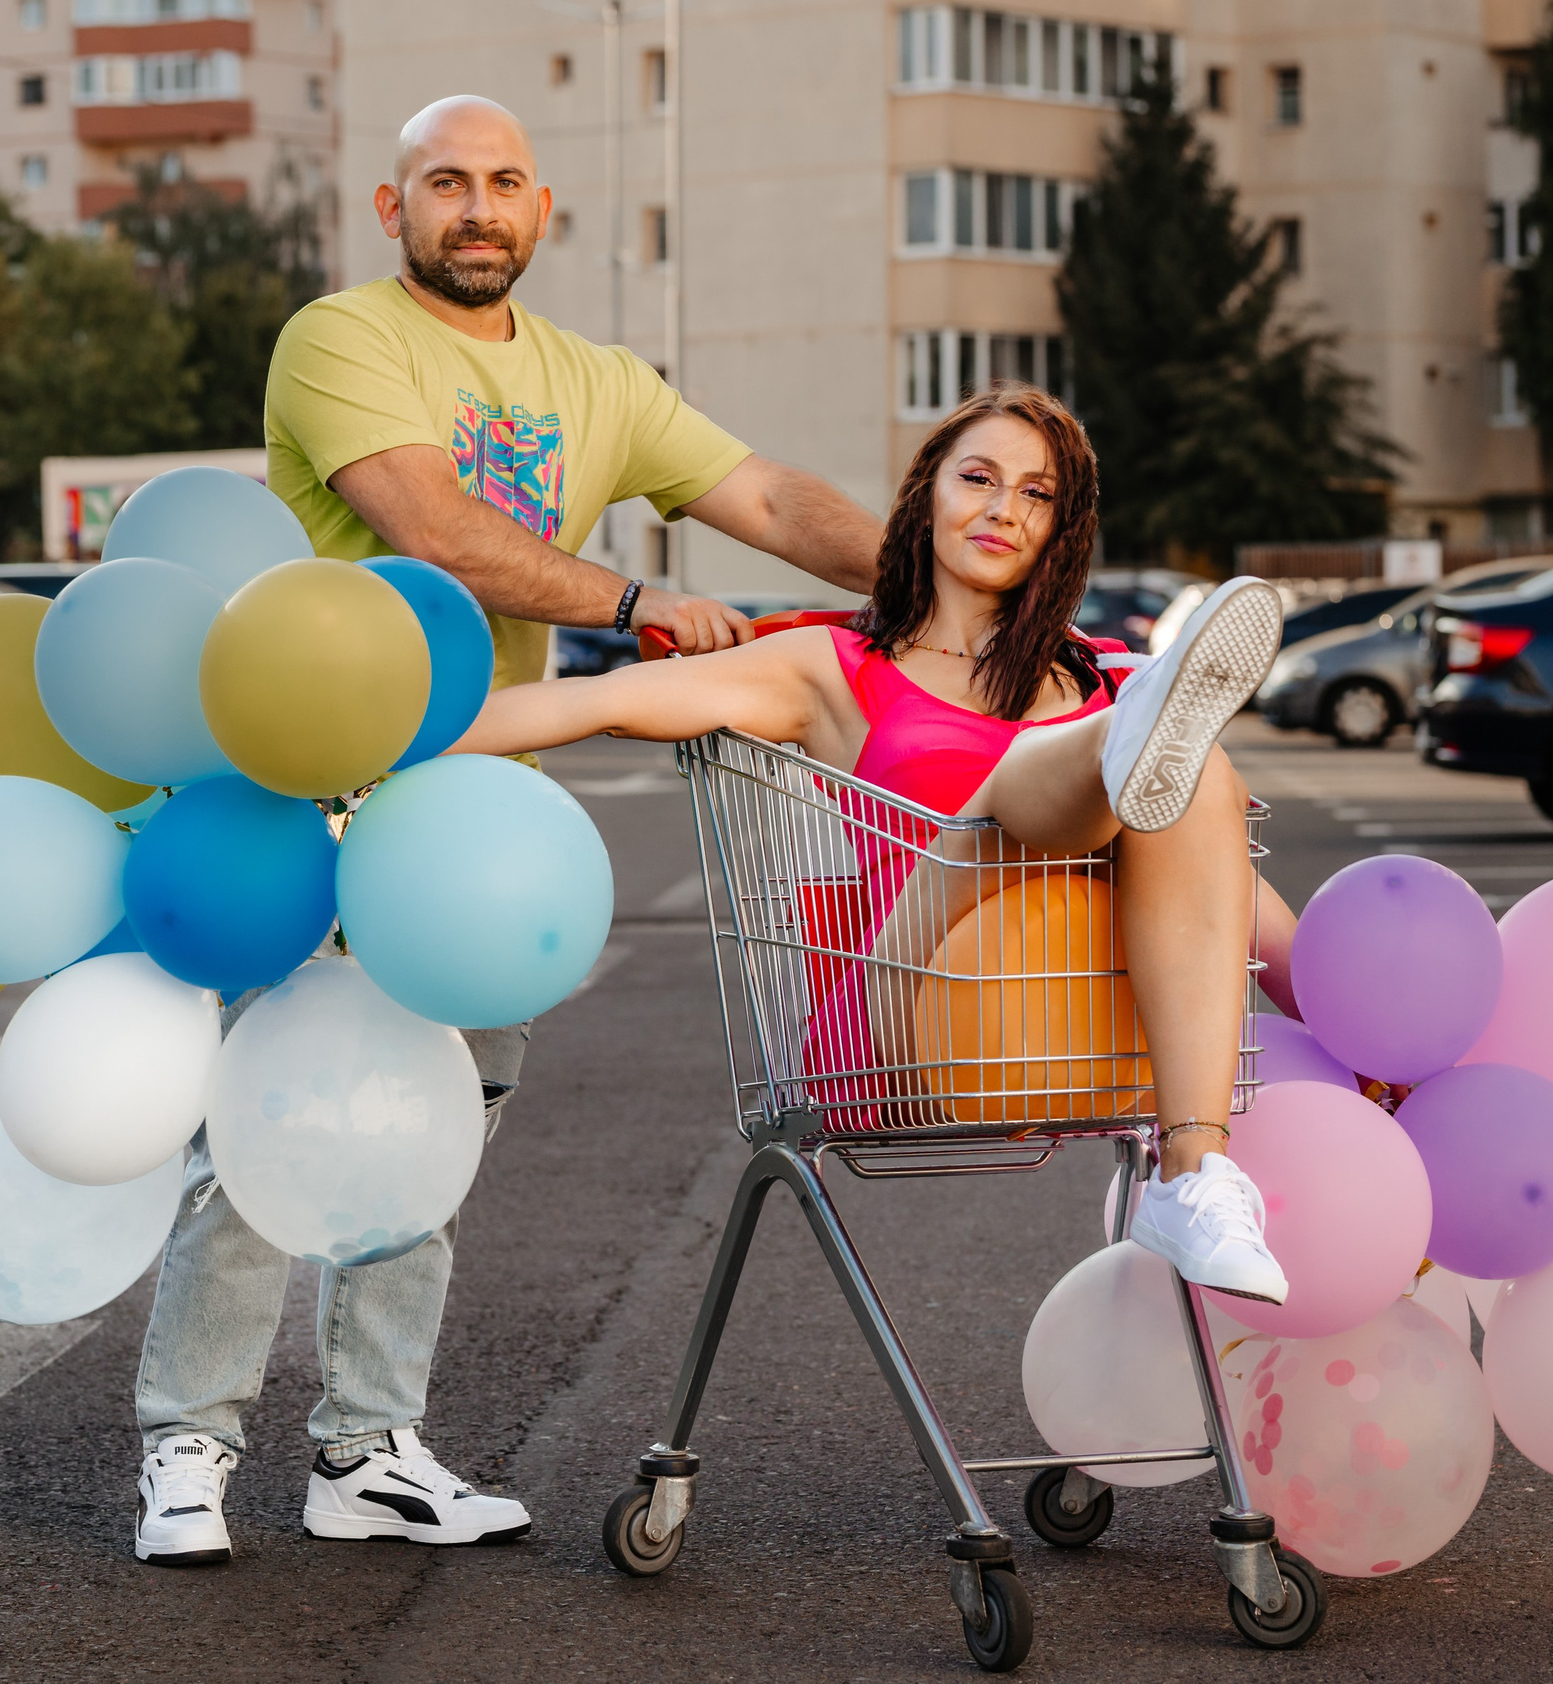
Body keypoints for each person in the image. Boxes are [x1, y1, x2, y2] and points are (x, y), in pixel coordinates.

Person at [130, 93, 885, 1567]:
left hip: (471, 806)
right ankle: (187, 1442)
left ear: (544, 212)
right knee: (259, 1124)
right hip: (311, 784)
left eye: (503, 184)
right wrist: (633, 601)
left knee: (432, 1125)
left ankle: (366, 1450)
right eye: (445, 184)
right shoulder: (340, 338)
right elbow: (432, 526)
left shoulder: (599, 378)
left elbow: (773, 497)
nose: (476, 208)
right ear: (391, 207)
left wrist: (955, 569)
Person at [450, 384, 1299, 1305]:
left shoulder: (1087, 674)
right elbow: (594, 701)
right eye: (978, 477)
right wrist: (386, 736)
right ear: (926, 491)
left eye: (1036, 494)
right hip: (907, 1013)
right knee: (1021, 795)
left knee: (1199, 778)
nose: (1002, 508)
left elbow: (1240, 912)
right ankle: (1103, 756)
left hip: (1075, 1026)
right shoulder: (836, 667)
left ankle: (1193, 1175)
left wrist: (1376, 1050)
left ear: (1062, 528)